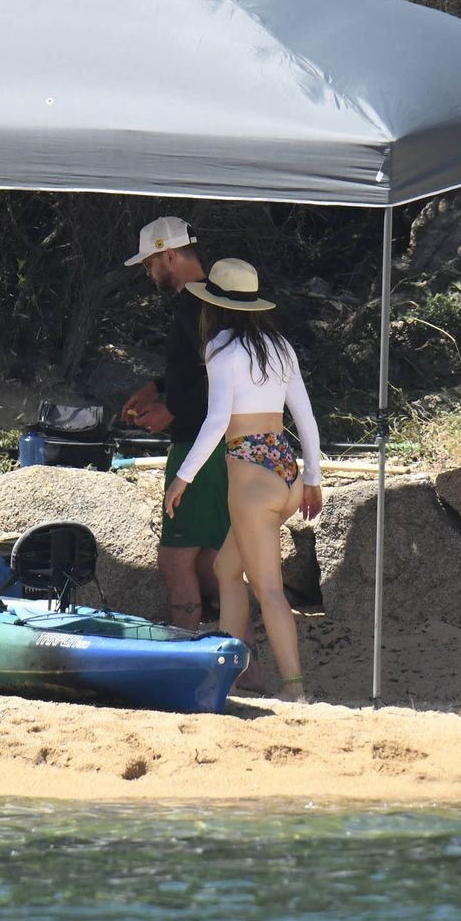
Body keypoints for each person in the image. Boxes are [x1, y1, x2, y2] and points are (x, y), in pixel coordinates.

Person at [163, 258, 322, 702]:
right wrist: (312, 478)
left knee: (268, 588)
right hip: (285, 471)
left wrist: (183, 477)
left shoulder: (220, 348)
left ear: (213, 306)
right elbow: (306, 418)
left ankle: (294, 689)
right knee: (226, 570)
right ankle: (227, 677)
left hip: (251, 478)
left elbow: (217, 422)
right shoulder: (280, 346)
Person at [121, 216, 230, 630]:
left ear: (168, 255)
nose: (149, 273)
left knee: (174, 559)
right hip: (213, 442)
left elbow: (219, 374)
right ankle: (241, 641)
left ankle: (183, 648)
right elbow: (202, 367)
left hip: (198, 444)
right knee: (208, 557)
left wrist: (173, 409)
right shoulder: (214, 299)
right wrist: (158, 386)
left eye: (150, 263)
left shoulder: (195, 303)